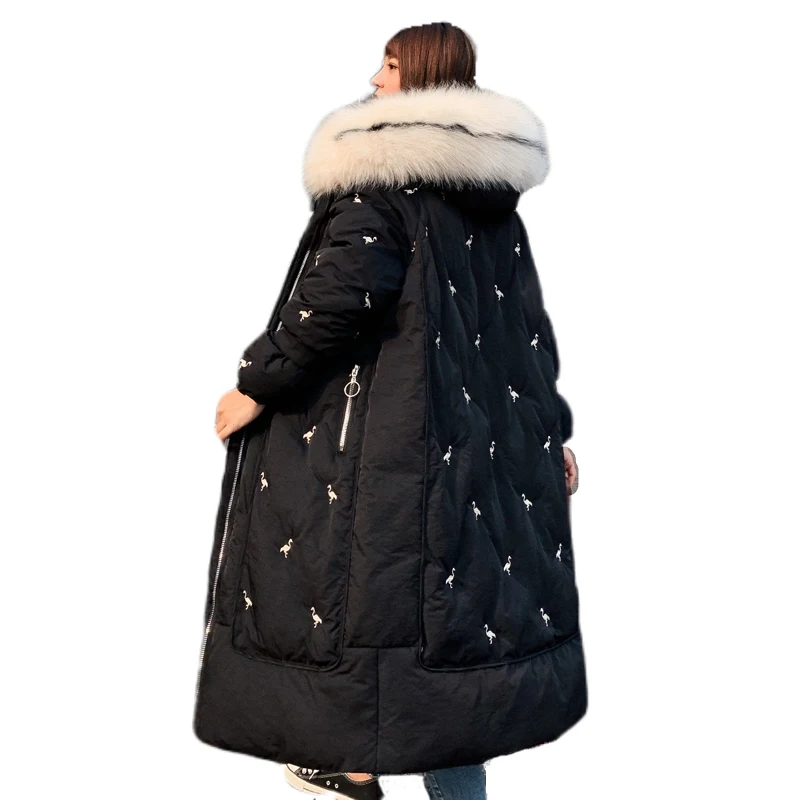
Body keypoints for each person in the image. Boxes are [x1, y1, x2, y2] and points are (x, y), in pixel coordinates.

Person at [195, 21, 585, 800]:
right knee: (453, 645)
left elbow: (338, 299)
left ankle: (348, 767)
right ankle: (369, 770)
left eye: (390, 64)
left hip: (386, 455)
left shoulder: (383, 186)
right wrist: (551, 435)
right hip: (475, 458)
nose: (375, 79)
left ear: (421, 77)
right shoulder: (491, 206)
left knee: (370, 616)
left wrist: (256, 385)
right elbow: (523, 337)